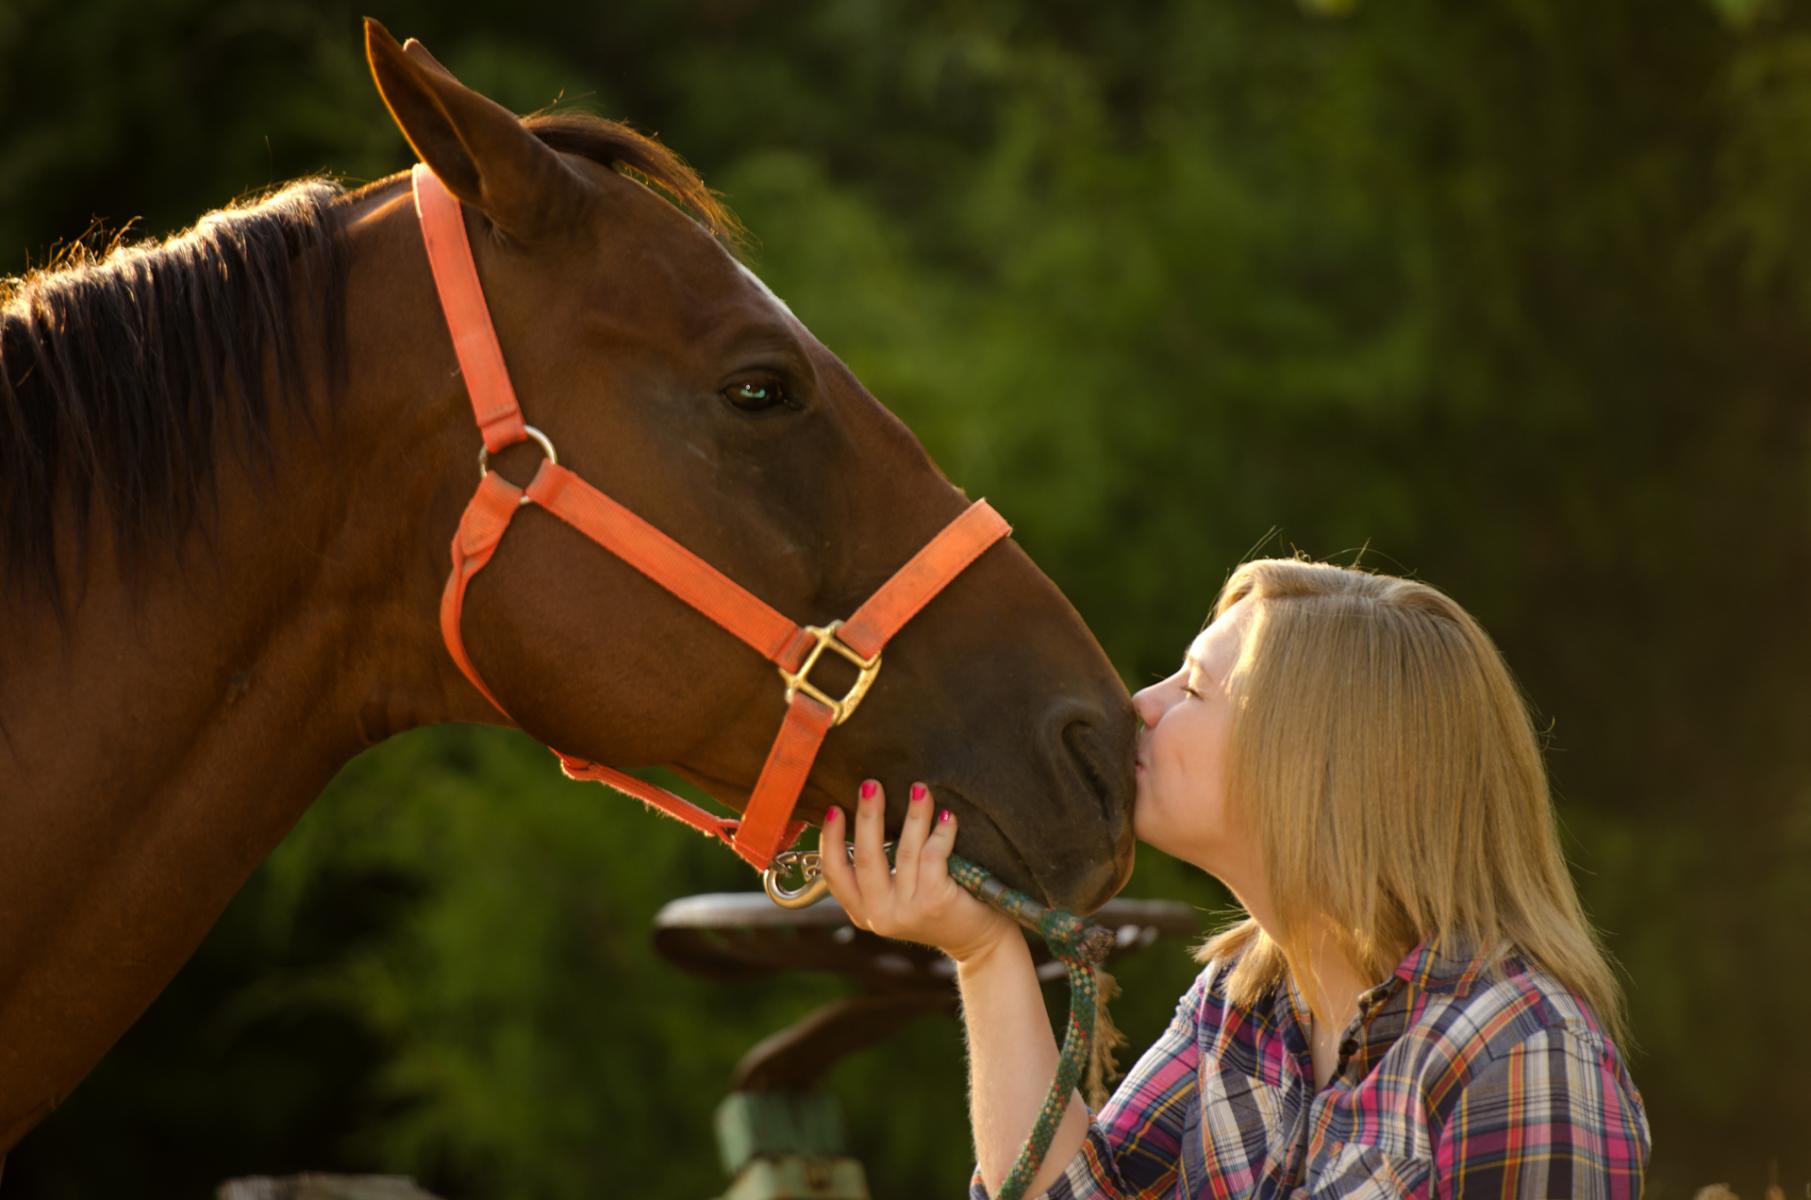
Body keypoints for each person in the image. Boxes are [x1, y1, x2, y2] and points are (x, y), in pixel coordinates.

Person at [819, 557, 1651, 1197]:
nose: (1141, 703)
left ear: (1311, 763)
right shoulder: (1243, 1001)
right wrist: (984, 954)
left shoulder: (1519, 1053)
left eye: (1194, 688)